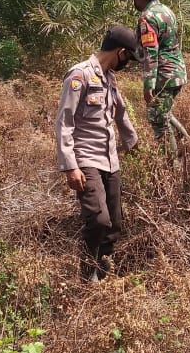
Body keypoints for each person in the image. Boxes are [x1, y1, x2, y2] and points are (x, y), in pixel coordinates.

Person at [54, 25, 143, 281]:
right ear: (121, 52)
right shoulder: (79, 75)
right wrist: (70, 166)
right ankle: (87, 275)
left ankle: (104, 277)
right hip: (85, 158)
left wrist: (132, 142)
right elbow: (64, 122)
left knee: (114, 223)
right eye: (128, 58)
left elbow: (120, 112)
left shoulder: (109, 78)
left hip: (110, 159)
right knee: (99, 219)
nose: (127, 63)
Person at [129, 0, 189, 160]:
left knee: (158, 119)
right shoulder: (167, 11)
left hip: (163, 76)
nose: (134, 1)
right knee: (164, 113)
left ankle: (173, 166)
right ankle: (186, 143)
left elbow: (151, 53)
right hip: (177, 72)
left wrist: (148, 85)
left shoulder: (147, 17)